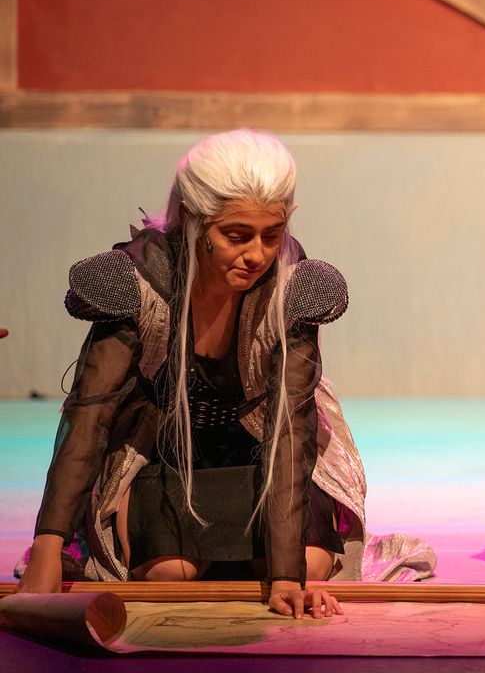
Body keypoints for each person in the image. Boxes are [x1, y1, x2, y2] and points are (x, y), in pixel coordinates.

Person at [16, 129, 366, 618]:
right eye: (236, 236)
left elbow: (291, 427)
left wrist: (287, 577)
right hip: (162, 449)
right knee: (169, 573)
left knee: (310, 564)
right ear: (193, 219)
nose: (257, 254)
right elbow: (91, 413)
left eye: (273, 234)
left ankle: (245, 557)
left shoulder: (293, 285)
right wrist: (48, 548)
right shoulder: (139, 280)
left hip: (260, 449)